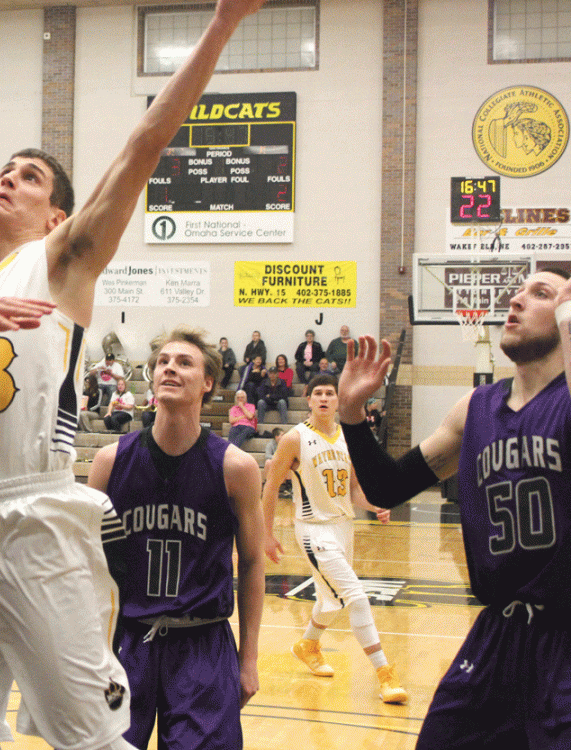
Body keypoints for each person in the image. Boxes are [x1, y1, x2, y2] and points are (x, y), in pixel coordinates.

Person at [0, 0, 301, 750]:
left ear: (55, 216)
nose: (8, 176)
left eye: (31, 175)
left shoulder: (60, 261)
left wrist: (223, 19)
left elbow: (143, 148)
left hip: (33, 519)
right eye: (3, 168)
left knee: (87, 734)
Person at [337, 268, 571, 746]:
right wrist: (352, 415)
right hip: (497, 633)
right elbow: (384, 489)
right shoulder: (476, 408)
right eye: (519, 291)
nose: (518, 300)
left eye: (541, 293)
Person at [87, 329, 264, 750]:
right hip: (124, 643)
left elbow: (254, 562)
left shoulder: (235, 467)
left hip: (202, 644)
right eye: (162, 361)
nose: (169, 367)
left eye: (184, 362)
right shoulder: (110, 462)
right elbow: (85, 564)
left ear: (208, 384)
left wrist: (250, 659)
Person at [263, 373, 407, 704]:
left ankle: (309, 645)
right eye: (319, 393)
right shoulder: (294, 439)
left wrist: (374, 506)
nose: (325, 398)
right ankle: (384, 673)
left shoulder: (348, 438)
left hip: (344, 527)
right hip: (314, 530)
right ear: (309, 399)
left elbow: (353, 488)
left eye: (330, 393)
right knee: (355, 596)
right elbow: (271, 487)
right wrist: (266, 534)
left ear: (338, 400)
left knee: (330, 600)